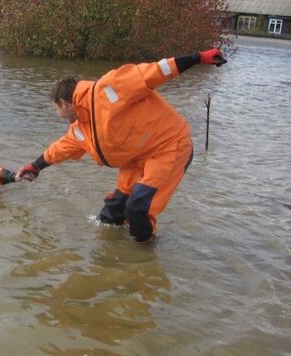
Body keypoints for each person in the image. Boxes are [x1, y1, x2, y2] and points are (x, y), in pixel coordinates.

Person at [16, 48, 227, 242]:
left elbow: (158, 70)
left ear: (64, 103)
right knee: (111, 213)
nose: (57, 115)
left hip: (170, 147)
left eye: (56, 110)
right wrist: (35, 167)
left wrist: (199, 57)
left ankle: (144, 256)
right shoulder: (80, 128)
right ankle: (118, 260)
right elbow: (58, 150)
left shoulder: (110, 87)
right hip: (138, 160)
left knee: (137, 208)